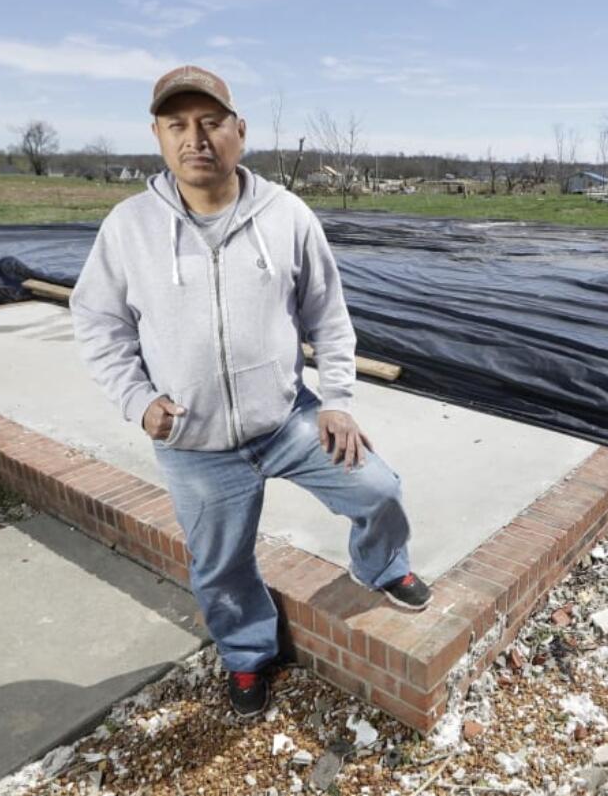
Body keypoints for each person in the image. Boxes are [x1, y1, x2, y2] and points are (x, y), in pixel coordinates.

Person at [69, 65, 430, 717]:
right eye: (177, 124)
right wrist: (137, 399)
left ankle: (380, 564)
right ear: (157, 135)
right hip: (195, 441)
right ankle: (247, 656)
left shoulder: (286, 214)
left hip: (288, 419)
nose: (195, 138)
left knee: (380, 487)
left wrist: (339, 400)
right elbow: (98, 324)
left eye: (210, 122)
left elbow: (329, 315)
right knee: (222, 564)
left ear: (239, 130)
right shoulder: (130, 227)